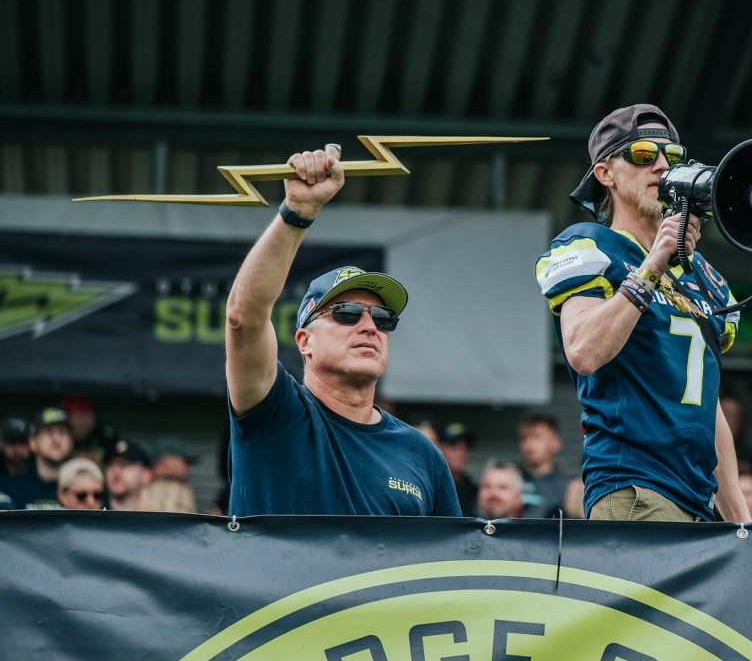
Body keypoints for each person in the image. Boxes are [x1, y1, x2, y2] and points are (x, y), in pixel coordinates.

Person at [535, 104, 749, 523]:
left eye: (672, 156)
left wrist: (742, 522)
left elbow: (709, 408)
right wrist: (653, 266)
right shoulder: (589, 243)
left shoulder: (704, 275)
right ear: (605, 174)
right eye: (641, 155)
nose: (660, 165)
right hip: (635, 489)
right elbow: (582, 351)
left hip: (699, 503)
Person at [225, 144, 459, 517]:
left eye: (383, 319)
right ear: (305, 341)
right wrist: (297, 212)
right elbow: (244, 317)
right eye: (347, 313)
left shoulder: (421, 454)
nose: (370, 326)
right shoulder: (276, 413)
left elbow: (448, 570)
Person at [0, 407, 73, 509]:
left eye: (62, 432)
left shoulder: (87, 491)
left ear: (71, 441)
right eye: (48, 432)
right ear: (33, 443)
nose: (56, 439)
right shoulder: (8, 487)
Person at [517, 413, 574, 518]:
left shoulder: (570, 486)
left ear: (556, 443)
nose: (528, 444)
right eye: (523, 438)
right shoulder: (508, 481)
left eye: (536, 437)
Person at [437, 422, 479, 517]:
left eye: (466, 446)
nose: (462, 452)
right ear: (440, 448)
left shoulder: (474, 490)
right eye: (454, 446)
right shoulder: (435, 487)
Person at [104, 439, 153, 511]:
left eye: (126, 464)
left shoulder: (160, 512)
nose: (116, 470)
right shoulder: (92, 507)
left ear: (146, 475)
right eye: (110, 464)